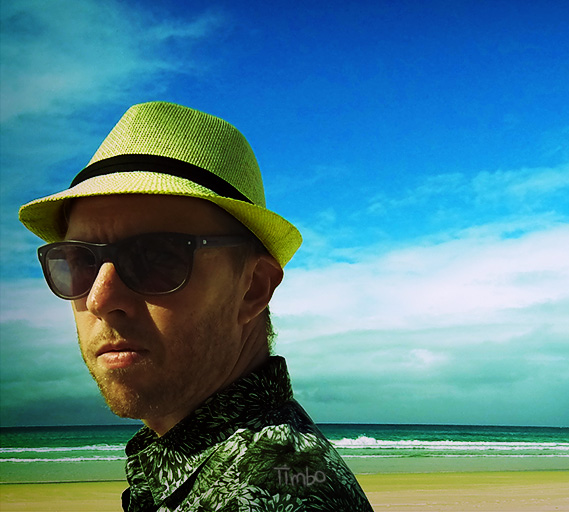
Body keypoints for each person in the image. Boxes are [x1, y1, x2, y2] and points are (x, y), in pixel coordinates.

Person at [19, 102, 374, 511]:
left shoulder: (273, 495)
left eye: (156, 257)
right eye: (79, 262)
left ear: (253, 288)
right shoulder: (211, 463)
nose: (100, 299)